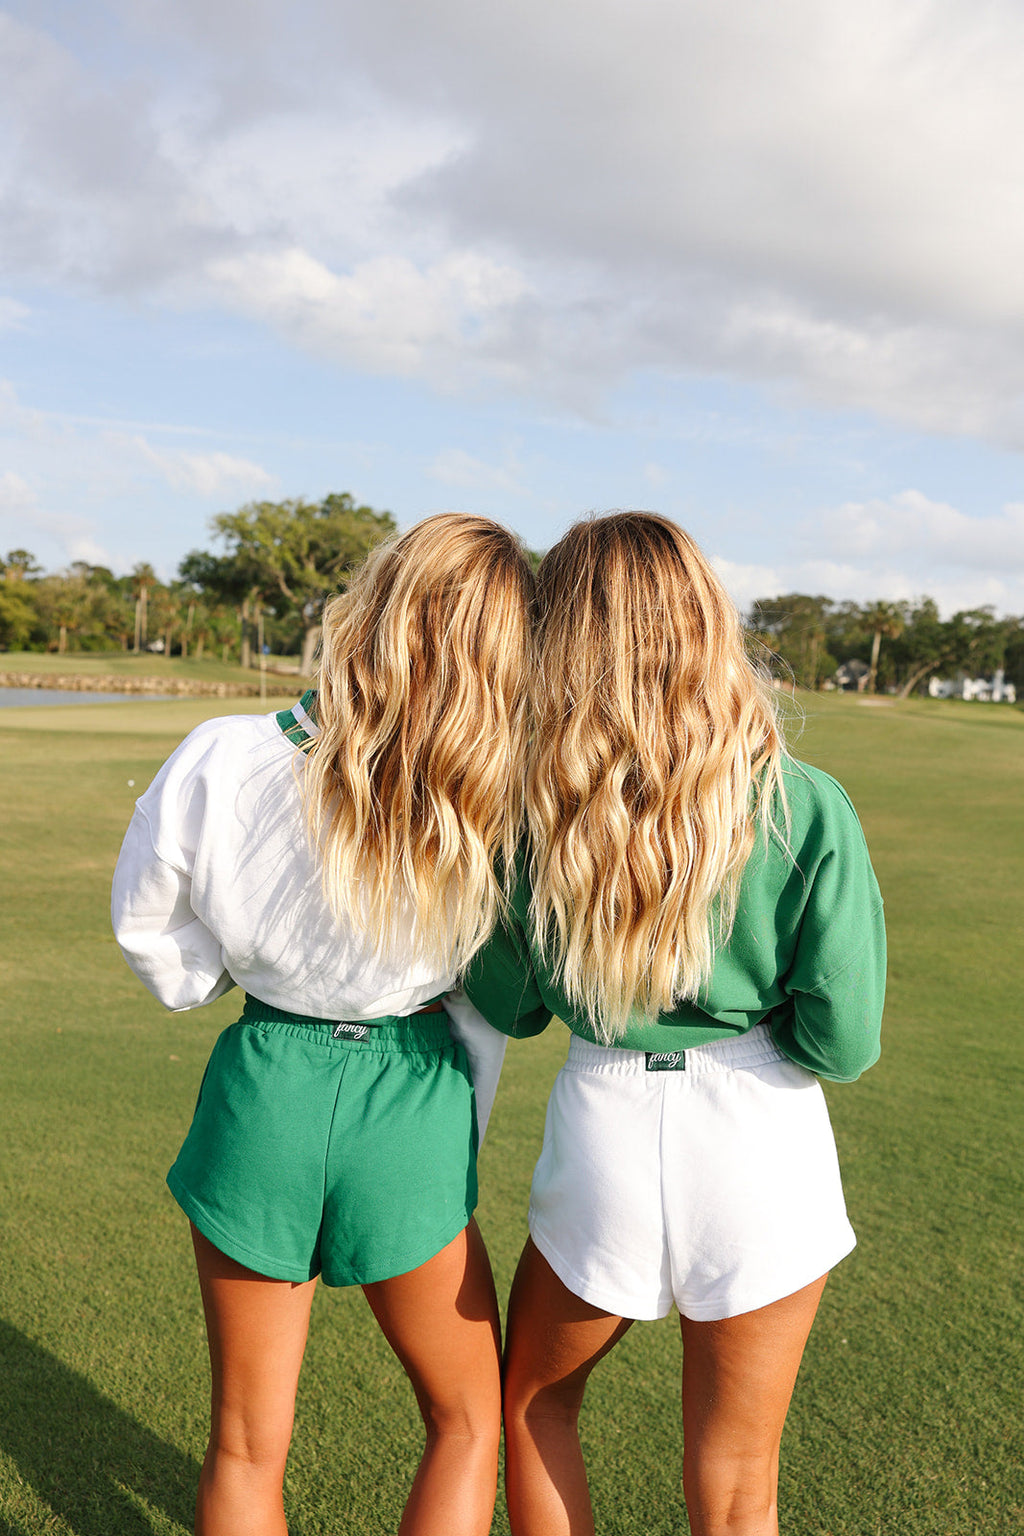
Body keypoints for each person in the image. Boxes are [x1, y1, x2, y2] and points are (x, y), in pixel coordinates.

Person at [461, 512, 886, 1536]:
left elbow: (510, 1007)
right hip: (758, 1134)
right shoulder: (803, 803)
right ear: (707, 620)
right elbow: (845, 1042)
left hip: (603, 1124)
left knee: (530, 1406)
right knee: (739, 1479)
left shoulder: (530, 808)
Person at [111, 514, 534, 1536]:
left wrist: (228, 970)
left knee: (247, 1443)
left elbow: (161, 951)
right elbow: (512, 994)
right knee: (468, 1422)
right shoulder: (500, 787)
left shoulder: (222, 753)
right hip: (411, 1091)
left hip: (266, 1082)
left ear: (377, 600)